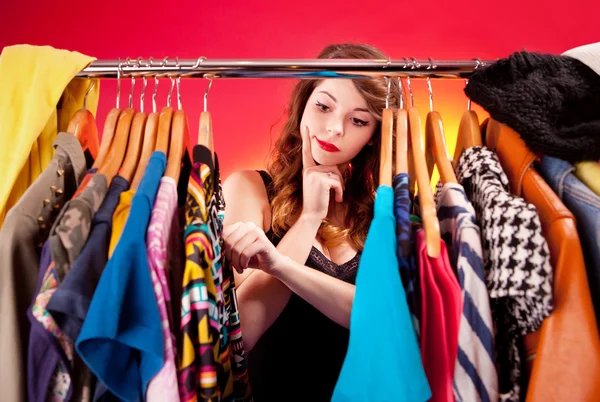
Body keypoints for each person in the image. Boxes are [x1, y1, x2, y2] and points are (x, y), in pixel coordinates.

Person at [223, 43, 397, 401]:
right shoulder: (249, 189)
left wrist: (281, 266)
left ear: (372, 136)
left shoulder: (382, 214)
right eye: (323, 106)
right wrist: (309, 219)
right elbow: (243, 332)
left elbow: (381, 320)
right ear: (303, 104)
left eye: (359, 120)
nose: (334, 128)